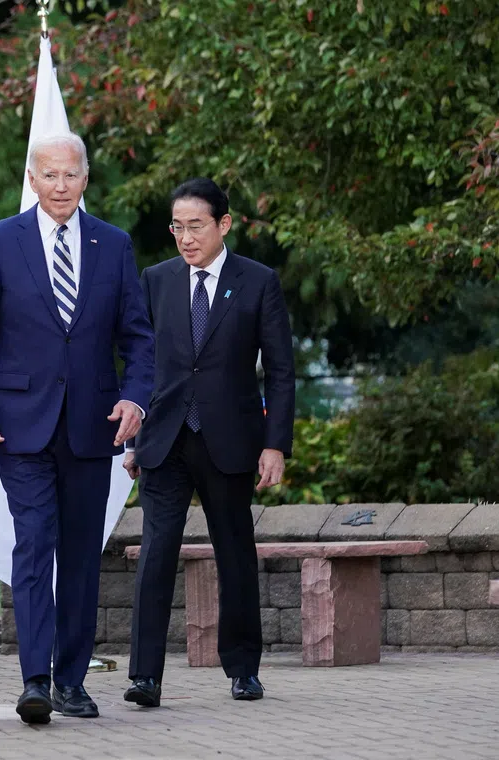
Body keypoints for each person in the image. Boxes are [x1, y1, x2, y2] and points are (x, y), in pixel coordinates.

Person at [0, 133, 155, 724]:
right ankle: (34, 680)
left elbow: (139, 341)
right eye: (50, 175)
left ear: (86, 179)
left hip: (94, 429)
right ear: (33, 179)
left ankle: (72, 681)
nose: (61, 185)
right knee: (34, 544)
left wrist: (135, 400)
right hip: (21, 430)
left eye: (71, 175)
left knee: (79, 557)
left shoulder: (114, 246)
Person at [122, 177, 295, 706]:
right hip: (165, 440)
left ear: (224, 224)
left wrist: (275, 444)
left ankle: (243, 668)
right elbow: (141, 364)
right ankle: (145, 677)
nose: (185, 237)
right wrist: (133, 437)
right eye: (177, 226)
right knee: (156, 555)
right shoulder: (156, 280)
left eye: (196, 226)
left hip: (230, 439)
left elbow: (281, 372)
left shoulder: (258, 281)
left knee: (235, 553)